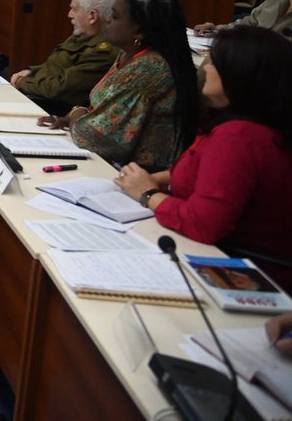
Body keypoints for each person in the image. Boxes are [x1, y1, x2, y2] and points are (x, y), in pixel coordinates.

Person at [114, 26, 292, 290]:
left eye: (214, 62)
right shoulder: (241, 126)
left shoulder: (239, 137)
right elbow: (201, 170)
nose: (205, 68)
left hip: (243, 272)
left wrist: (148, 194)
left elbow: (203, 224)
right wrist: (155, 179)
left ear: (240, 75)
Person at [39, 0, 198, 171]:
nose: (106, 19)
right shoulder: (128, 55)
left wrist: (76, 114)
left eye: (114, 16)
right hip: (114, 166)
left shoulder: (147, 68)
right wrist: (74, 117)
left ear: (138, 31)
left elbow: (97, 141)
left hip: (139, 175)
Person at [10, 0, 120, 115]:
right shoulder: (85, 33)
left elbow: (59, 90)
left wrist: (23, 82)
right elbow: (59, 63)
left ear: (92, 16)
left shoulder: (103, 52)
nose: (69, 14)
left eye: (74, 9)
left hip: (48, 108)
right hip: (36, 92)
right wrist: (31, 71)